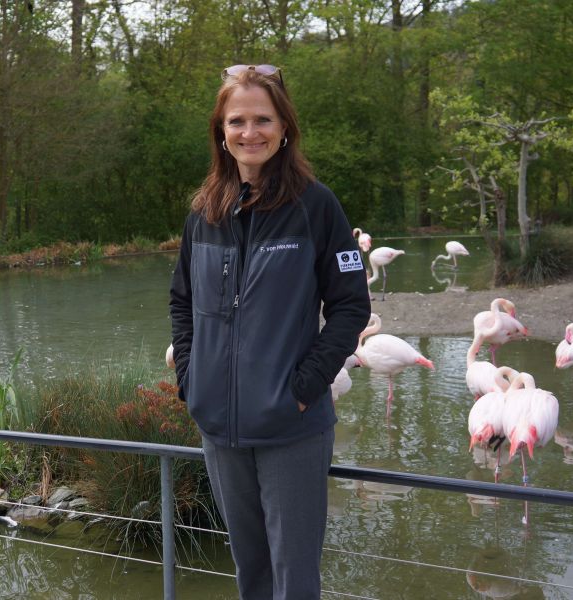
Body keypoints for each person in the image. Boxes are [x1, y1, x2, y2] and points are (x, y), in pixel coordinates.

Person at [169, 64, 371, 600]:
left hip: (291, 428)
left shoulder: (316, 206)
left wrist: (303, 388)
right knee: (251, 575)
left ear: (284, 128)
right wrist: (191, 380)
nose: (250, 132)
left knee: (293, 581)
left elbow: (351, 305)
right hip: (219, 429)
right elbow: (182, 302)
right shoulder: (204, 212)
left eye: (263, 119)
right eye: (237, 120)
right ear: (221, 131)